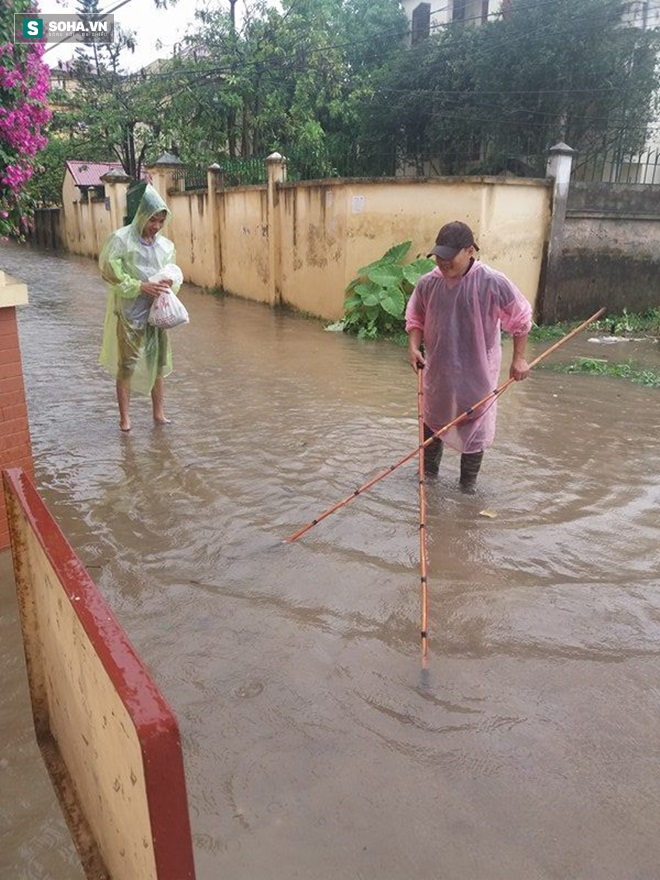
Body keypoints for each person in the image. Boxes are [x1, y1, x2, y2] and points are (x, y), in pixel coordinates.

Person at [405, 220, 532, 492]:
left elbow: (521, 319)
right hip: (438, 368)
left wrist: (518, 359)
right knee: (433, 417)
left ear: (470, 251)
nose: (442, 262)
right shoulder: (428, 284)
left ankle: (467, 488)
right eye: (439, 256)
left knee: (475, 421)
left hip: (477, 370)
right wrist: (414, 346)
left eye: (449, 256)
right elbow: (416, 318)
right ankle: (428, 479)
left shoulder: (492, 282)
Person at [99, 184, 181, 432]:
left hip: (157, 312)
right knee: (127, 364)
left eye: (160, 221)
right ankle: (125, 418)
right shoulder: (121, 240)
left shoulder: (165, 246)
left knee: (157, 362)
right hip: (130, 313)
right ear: (142, 215)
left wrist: (169, 284)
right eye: (152, 219)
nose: (156, 226)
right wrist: (139, 286)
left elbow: (173, 273)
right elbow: (110, 273)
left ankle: (159, 413)